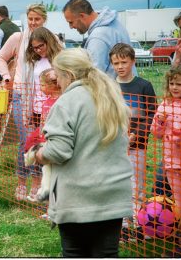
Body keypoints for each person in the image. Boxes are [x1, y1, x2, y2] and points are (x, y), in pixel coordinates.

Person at [34, 48, 132, 257]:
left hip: (79, 198)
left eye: (58, 76)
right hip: (113, 193)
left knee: (75, 253)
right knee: (106, 254)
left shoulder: (67, 102)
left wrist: (39, 153)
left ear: (68, 75)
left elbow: (59, 151)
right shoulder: (110, 94)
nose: (58, 83)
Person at [0, 3, 49, 201]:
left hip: (42, 97)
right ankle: (21, 182)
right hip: (21, 95)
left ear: (44, 20)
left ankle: (37, 183)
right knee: (26, 140)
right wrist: (6, 77)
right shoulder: (18, 38)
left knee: (41, 141)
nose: (34, 22)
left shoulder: (48, 41)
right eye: (31, 19)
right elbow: (0, 57)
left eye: (38, 19)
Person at [150, 63, 181, 257]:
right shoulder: (166, 104)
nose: (174, 87)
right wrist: (159, 120)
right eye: (171, 83)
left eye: (179, 83)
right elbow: (156, 133)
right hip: (172, 164)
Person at [109, 43, 157, 227]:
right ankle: (120, 221)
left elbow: (152, 113)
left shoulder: (144, 85)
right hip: (114, 144)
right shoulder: (110, 86)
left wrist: (137, 134)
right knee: (116, 181)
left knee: (136, 183)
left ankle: (137, 221)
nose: (120, 67)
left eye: (124, 62)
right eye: (116, 63)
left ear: (133, 61)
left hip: (138, 144)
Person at [18, 26, 62, 201]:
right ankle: (39, 186)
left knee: (50, 151)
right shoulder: (34, 60)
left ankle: (50, 191)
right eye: (34, 48)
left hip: (54, 109)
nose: (38, 50)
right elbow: (31, 84)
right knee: (33, 145)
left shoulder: (59, 59)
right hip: (37, 109)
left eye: (41, 46)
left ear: (48, 42)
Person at [62, 0, 135, 79]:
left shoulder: (98, 37)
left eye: (71, 22)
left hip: (113, 90)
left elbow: (94, 75)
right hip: (130, 86)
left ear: (82, 16)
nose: (71, 27)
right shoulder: (114, 23)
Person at [24, 67, 61, 203]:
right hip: (45, 140)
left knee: (54, 174)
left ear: (54, 85)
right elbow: (43, 121)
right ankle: (48, 201)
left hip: (54, 142)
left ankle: (53, 203)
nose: (41, 88)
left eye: (43, 85)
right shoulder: (48, 100)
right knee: (47, 172)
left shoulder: (60, 102)